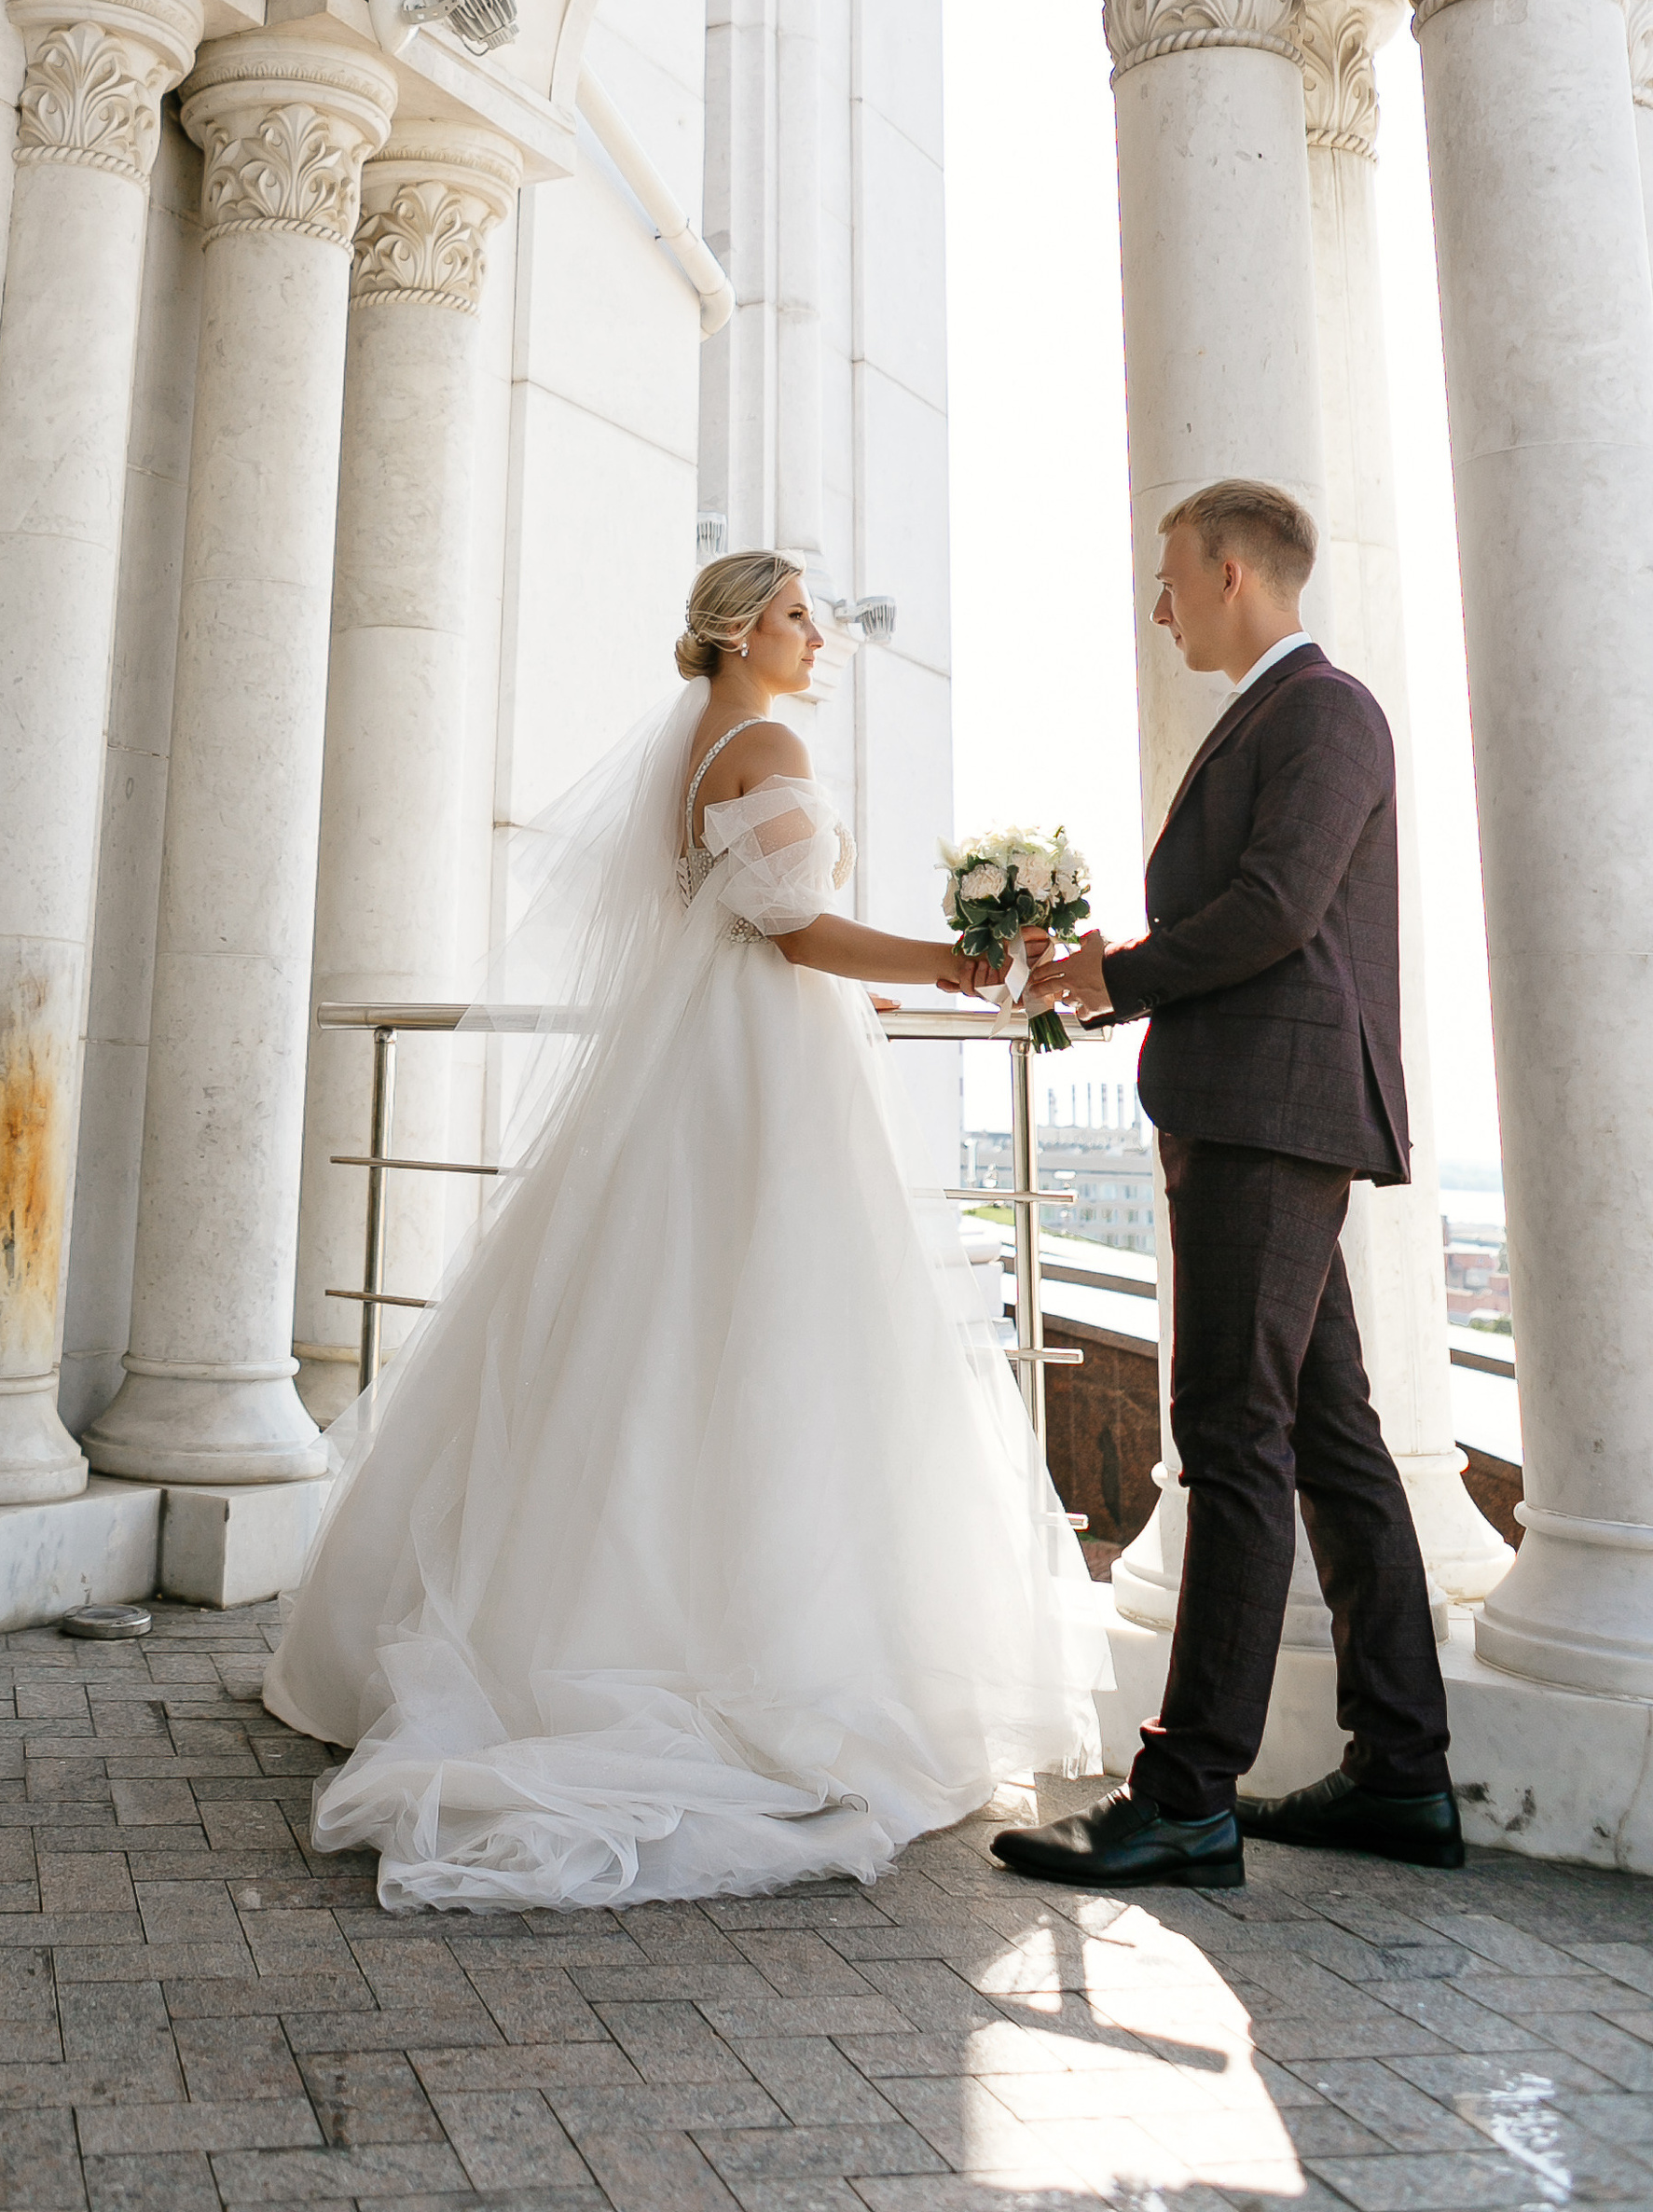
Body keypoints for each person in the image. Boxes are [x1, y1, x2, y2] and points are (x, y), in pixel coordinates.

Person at [262, 549, 1108, 1909]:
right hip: (758, 1075)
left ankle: (583, 1614)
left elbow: (740, 925)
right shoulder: (761, 734)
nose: (815, 632)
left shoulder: (698, 744)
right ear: (731, 631)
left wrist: (893, 988)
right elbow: (794, 934)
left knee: (665, 1326)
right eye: (791, 614)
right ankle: (748, 1653)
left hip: (717, 1061)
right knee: (768, 1330)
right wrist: (957, 964)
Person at [993, 477, 1461, 1893]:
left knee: (1228, 1440)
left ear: (1237, 575)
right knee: (1329, 1439)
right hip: (1266, 1108)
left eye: (1172, 578)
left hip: (1270, 1115)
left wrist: (1114, 978)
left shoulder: (1324, 710)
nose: (1159, 605)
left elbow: (1273, 909)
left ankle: (1189, 1795)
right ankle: (1403, 1771)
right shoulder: (1281, 716)